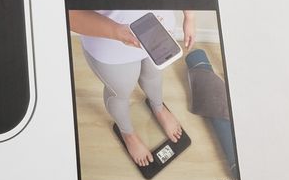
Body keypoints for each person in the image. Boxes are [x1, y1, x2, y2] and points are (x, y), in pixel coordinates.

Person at [69, 9, 196, 167]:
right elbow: (69, 13)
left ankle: (158, 108)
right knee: (120, 92)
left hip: (158, 28)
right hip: (110, 41)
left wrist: (189, 16)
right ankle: (128, 133)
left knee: (153, 75)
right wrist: (117, 31)